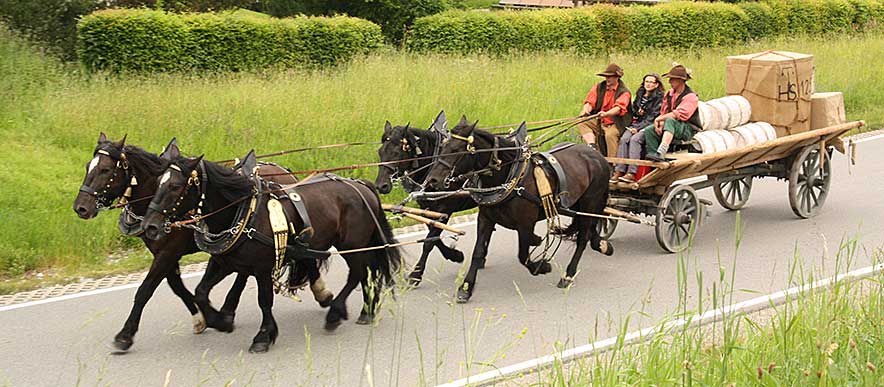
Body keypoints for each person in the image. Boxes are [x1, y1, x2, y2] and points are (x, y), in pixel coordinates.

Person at [610, 73, 665, 183]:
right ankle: (619, 170)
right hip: (636, 123)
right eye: (647, 82)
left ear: (656, 84)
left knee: (635, 140)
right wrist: (638, 113)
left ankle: (632, 172)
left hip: (649, 125)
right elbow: (634, 110)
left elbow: (653, 116)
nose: (648, 84)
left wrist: (639, 128)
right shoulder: (640, 94)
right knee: (624, 139)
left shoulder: (659, 98)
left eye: (651, 82)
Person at [644, 64, 701, 162]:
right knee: (649, 130)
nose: (669, 81)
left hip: (687, 128)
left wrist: (659, 119)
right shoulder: (669, 94)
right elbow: (664, 111)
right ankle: (654, 156)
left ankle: (661, 151)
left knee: (670, 121)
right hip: (672, 125)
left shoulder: (691, 96)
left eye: (672, 79)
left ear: (680, 80)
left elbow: (678, 114)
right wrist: (660, 122)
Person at [576, 63, 632, 157]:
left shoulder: (624, 92)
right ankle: (592, 146)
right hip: (601, 120)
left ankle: (613, 163)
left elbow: (618, 108)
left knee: (610, 135)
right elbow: (590, 101)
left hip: (617, 123)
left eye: (610, 77)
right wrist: (586, 110)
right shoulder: (599, 87)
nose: (607, 79)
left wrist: (606, 114)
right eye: (606, 76)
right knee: (582, 121)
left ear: (617, 77)